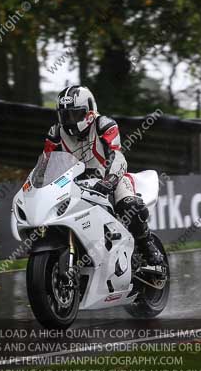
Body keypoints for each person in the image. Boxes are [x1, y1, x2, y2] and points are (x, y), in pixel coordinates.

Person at [43, 85, 163, 266]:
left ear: (89, 112)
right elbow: (46, 163)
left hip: (109, 178)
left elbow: (117, 155)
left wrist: (110, 179)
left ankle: (146, 243)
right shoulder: (55, 133)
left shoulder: (104, 125)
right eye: (64, 115)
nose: (69, 120)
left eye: (74, 114)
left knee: (129, 204)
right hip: (74, 185)